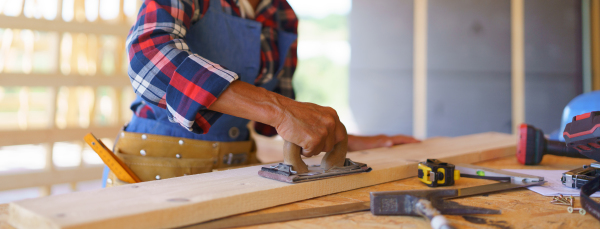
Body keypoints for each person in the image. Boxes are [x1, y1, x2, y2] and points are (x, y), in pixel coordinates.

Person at [103, 0, 419, 186]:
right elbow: (147, 55)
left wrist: (347, 139)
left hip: (234, 171)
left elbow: (277, 126)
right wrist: (278, 109)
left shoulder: (281, 12)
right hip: (153, 169)